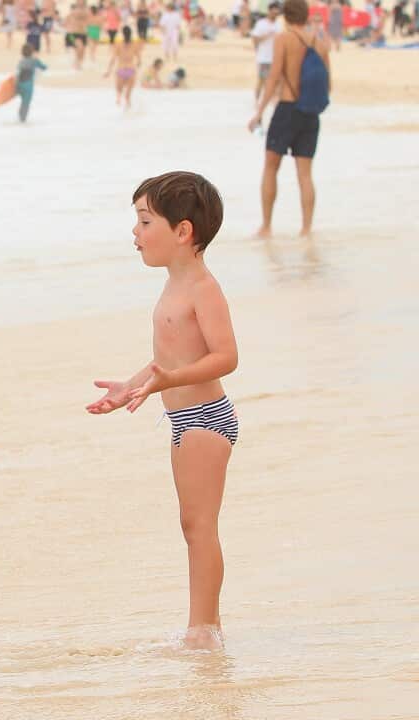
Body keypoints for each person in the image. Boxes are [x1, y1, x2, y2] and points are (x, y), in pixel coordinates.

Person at [88, 171, 237, 652]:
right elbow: (166, 361)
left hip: (205, 420)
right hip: (185, 419)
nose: (135, 232)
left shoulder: (202, 288)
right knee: (191, 524)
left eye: (145, 221)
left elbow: (226, 357)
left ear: (183, 231)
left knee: (199, 525)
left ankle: (203, 630)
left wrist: (170, 381)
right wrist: (131, 386)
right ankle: (206, 626)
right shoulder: (175, 284)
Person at [248, 0, 331, 237]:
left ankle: (266, 226)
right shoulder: (320, 43)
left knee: (271, 168)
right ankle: (306, 230)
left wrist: (259, 112)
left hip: (286, 109)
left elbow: (273, 78)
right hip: (311, 114)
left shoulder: (283, 39)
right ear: (306, 16)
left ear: (285, 16)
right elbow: (329, 84)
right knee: (305, 174)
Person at [104, 25, 140, 108]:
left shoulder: (118, 44)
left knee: (119, 92)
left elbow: (113, 59)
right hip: (131, 70)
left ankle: (118, 100)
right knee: (128, 96)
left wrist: (108, 71)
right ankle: (129, 111)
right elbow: (139, 60)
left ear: (122, 34)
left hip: (121, 69)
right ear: (131, 33)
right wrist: (137, 66)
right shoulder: (135, 44)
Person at [251, 2, 281, 99]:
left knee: (276, 80)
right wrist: (267, 36)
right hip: (263, 57)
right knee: (261, 80)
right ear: (269, 11)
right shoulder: (261, 23)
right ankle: (257, 100)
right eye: (273, 13)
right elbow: (255, 39)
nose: (275, 15)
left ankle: (273, 100)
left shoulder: (278, 24)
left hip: (275, 57)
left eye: (277, 13)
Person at [14, 42, 47, 122]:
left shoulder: (21, 61)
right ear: (32, 51)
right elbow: (44, 67)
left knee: (23, 102)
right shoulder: (34, 60)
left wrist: (15, 86)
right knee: (26, 103)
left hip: (19, 84)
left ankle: (20, 119)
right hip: (28, 85)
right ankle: (23, 120)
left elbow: (17, 74)